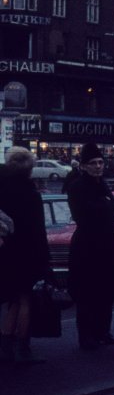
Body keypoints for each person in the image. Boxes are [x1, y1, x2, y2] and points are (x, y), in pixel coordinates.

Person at [67, 142, 114, 350]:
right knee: (87, 294)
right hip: (87, 247)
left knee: (105, 292)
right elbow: (82, 215)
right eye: (93, 163)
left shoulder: (104, 185)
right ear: (84, 166)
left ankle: (103, 331)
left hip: (107, 246)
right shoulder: (77, 187)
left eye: (100, 162)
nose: (98, 166)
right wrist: (102, 205)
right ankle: (87, 336)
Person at [0, 147, 51, 364]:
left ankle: (6, 346)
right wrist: (45, 260)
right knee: (25, 300)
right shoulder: (31, 195)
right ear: (29, 169)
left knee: (13, 300)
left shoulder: (2, 189)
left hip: (6, 252)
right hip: (27, 253)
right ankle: (23, 348)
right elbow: (38, 230)